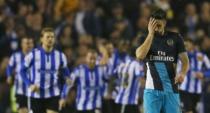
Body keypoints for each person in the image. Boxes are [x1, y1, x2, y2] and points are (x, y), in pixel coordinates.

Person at [135, 9, 189, 113]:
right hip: (152, 91)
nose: (156, 28)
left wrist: (182, 73)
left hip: (171, 90)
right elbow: (140, 55)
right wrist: (150, 34)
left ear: (165, 22)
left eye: (159, 25)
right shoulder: (144, 37)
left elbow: (185, 61)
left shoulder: (176, 38)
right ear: (150, 23)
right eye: (154, 25)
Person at [20, 27, 70, 113]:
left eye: (52, 37)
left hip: (53, 95)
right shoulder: (33, 55)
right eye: (48, 37)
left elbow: (67, 78)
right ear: (41, 39)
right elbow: (22, 71)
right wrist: (30, 84)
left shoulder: (61, 56)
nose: (50, 39)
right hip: (36, 95)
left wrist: (63, 96)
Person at [59, 46, 109, 113]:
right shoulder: (79, 70)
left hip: (96, 107)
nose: (92, 61)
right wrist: (63, 97)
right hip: (81, 107)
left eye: (94, 59)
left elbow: (108, 80)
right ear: (86, 58)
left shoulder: (101, 70)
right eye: (90, 58)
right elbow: (68, 83)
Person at [178, 38, 210, 113]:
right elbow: (177, 71)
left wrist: (203, 74)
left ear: (192, 45)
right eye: (184, 45)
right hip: (184, 89)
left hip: (197, 90)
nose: (184, 47)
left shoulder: (202, 56)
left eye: (186, 45)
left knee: (195, 110)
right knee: (188, 111)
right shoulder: (181, 57)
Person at [6, 37, 34, 113]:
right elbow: (9, 66)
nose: (28, 45)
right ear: (22, 44)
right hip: (20, 90)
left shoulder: (36, 57)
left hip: (33, 91)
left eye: (30, 43)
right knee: (22, 110)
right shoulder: (15, 56)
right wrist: (9, 75)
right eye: (26, 43)